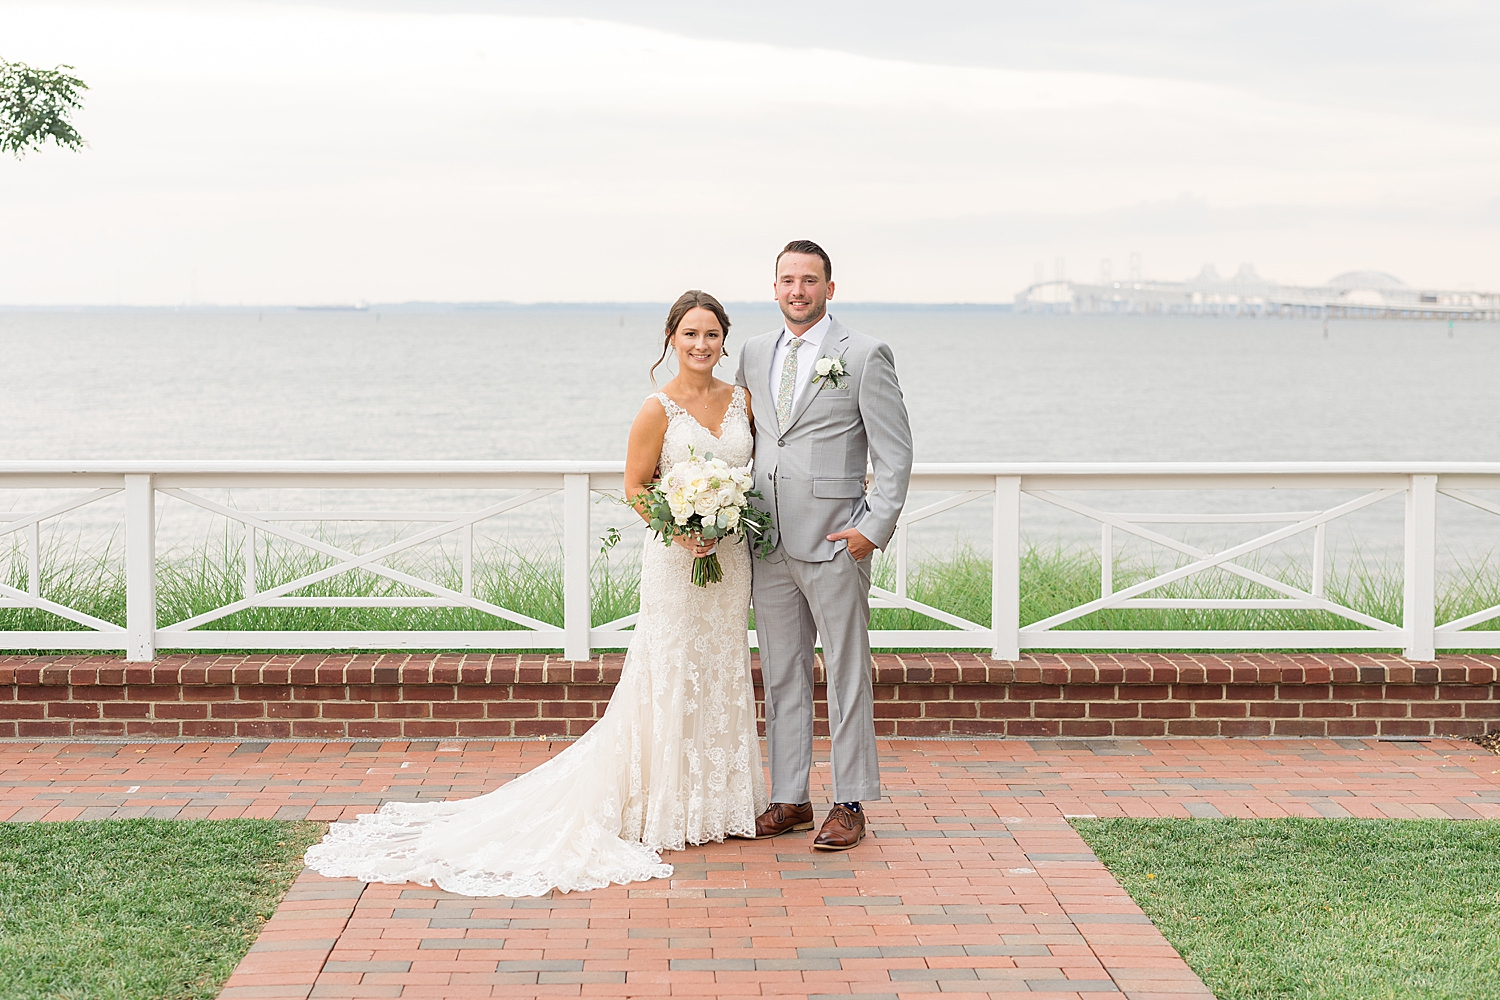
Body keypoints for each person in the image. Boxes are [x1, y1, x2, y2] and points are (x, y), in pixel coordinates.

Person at [303, 290, 767, 896]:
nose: (701, 346)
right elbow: (635, 489)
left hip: (730, 562)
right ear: (670, 341)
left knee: (721, 668)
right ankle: (665, 806)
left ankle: (717, 805)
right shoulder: (657, 410)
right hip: (678, 564)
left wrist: (724, 517)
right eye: (690, 335)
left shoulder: (743, 401)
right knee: (670, 673)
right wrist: (682, 532)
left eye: (711, 335)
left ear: (724, 339)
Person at [734, 240, 913, 851]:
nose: (798, 290)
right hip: (769, 542)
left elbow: (895, 452)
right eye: (787, 279)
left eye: (810, 280)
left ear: (829, 288)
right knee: (781, 675)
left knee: (846, 674)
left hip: (838, 541)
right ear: (775, 286)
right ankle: (788, 798)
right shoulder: (754, 353)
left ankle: (850, 801)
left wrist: (873, 527)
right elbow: (751, 436)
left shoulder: (863, 354)